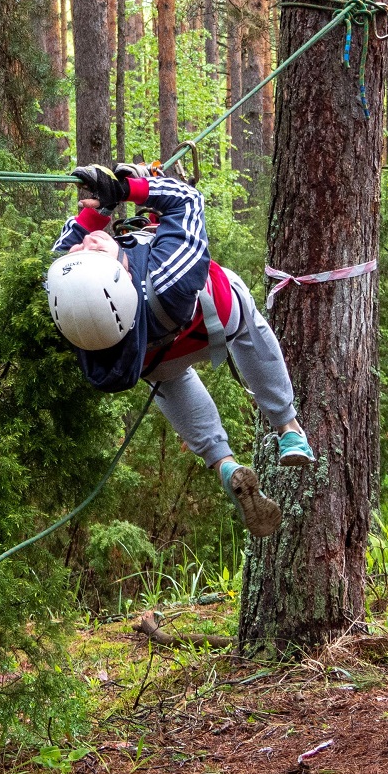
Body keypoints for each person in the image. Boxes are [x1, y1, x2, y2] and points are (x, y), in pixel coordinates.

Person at [44, 162, 313, 537]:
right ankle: (288, 426)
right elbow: (187, 201)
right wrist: (129, 190)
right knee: (248, 322)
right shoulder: (166, 275)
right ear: (120, 271)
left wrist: (96, 211)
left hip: (153, 355)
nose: (87, 242)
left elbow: (56, 258)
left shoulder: (72, 313)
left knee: (168, 380)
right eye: (94, 249)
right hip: (213, 322)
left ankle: (222, 462)